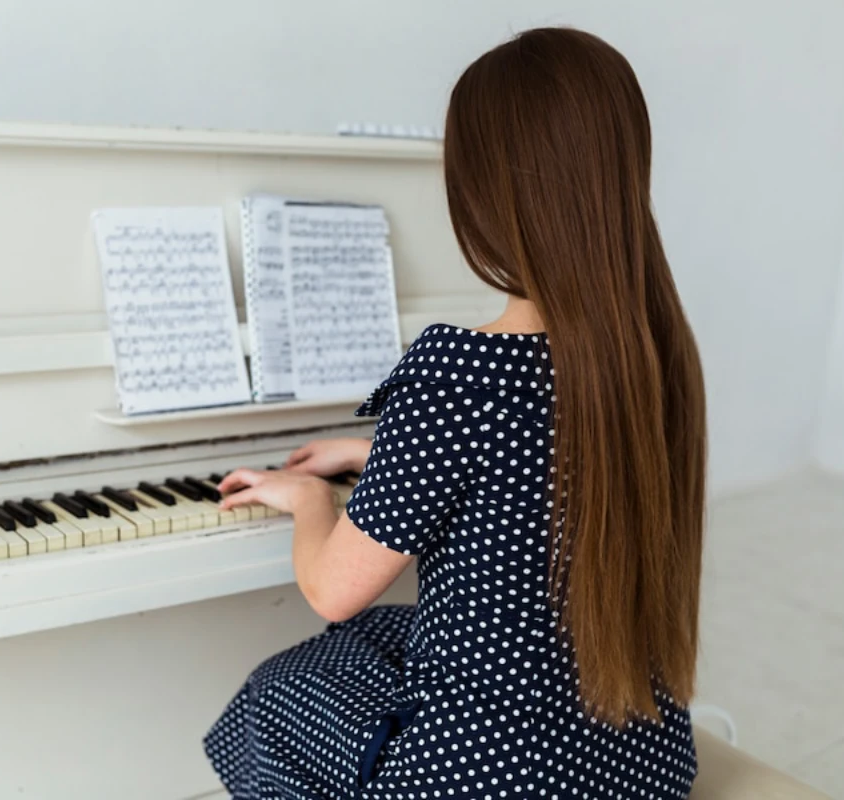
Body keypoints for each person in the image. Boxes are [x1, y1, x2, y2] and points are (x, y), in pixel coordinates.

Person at [204, 26, 706, 800]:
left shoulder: (456, 373)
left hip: (489, 778)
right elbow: (546, 467)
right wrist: (382, 455)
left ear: (481, 192)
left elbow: (332, 590)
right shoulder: (653, 354)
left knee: (280, 692)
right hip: (643, 767)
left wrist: (309, 501)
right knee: (389, 641)